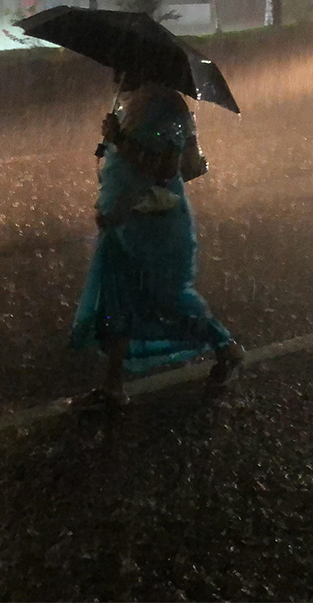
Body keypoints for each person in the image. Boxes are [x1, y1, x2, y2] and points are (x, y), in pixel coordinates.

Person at [70, 72, 245, 409]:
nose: (115, 77)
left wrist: (118, 138)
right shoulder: (133, 104)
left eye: (122, 68)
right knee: (117, 300)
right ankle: (112, 387)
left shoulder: (166, 108)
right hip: (124, 219)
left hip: (156, 225)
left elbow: (166, 169)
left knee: (165, 297)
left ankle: (227, 349)